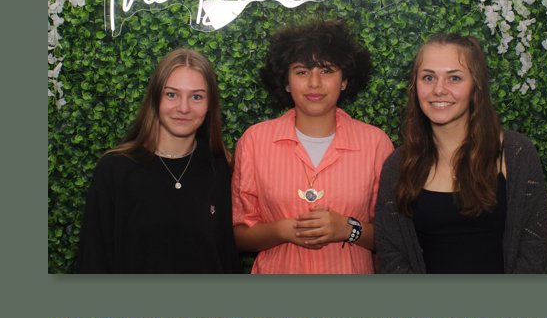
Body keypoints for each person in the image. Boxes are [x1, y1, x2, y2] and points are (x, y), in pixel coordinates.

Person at [374, 34, 547, 274]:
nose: (439, 90)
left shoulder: (516, 153)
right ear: (415, 86)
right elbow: (392, 254)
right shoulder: (398, 165)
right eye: (428, 77)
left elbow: (534, 250)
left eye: (454, 78)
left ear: (476, 86)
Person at [232, 18, 393, 274]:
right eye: (302, 71)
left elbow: (394, 237)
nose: (314, 83)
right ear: (286, 81)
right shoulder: (254, 141)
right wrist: (281, 230)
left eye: (327, 70)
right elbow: (238, 235)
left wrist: (347, 229)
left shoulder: (375, 144)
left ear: (344, 80)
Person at [75, 48, 238, 274]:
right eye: (171, 94)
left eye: (196, 97)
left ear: (209, 104)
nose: (183, 108)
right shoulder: (115, 170)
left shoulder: (219, 168)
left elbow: (227, 259)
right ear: (155, 98)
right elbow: (93, 260)